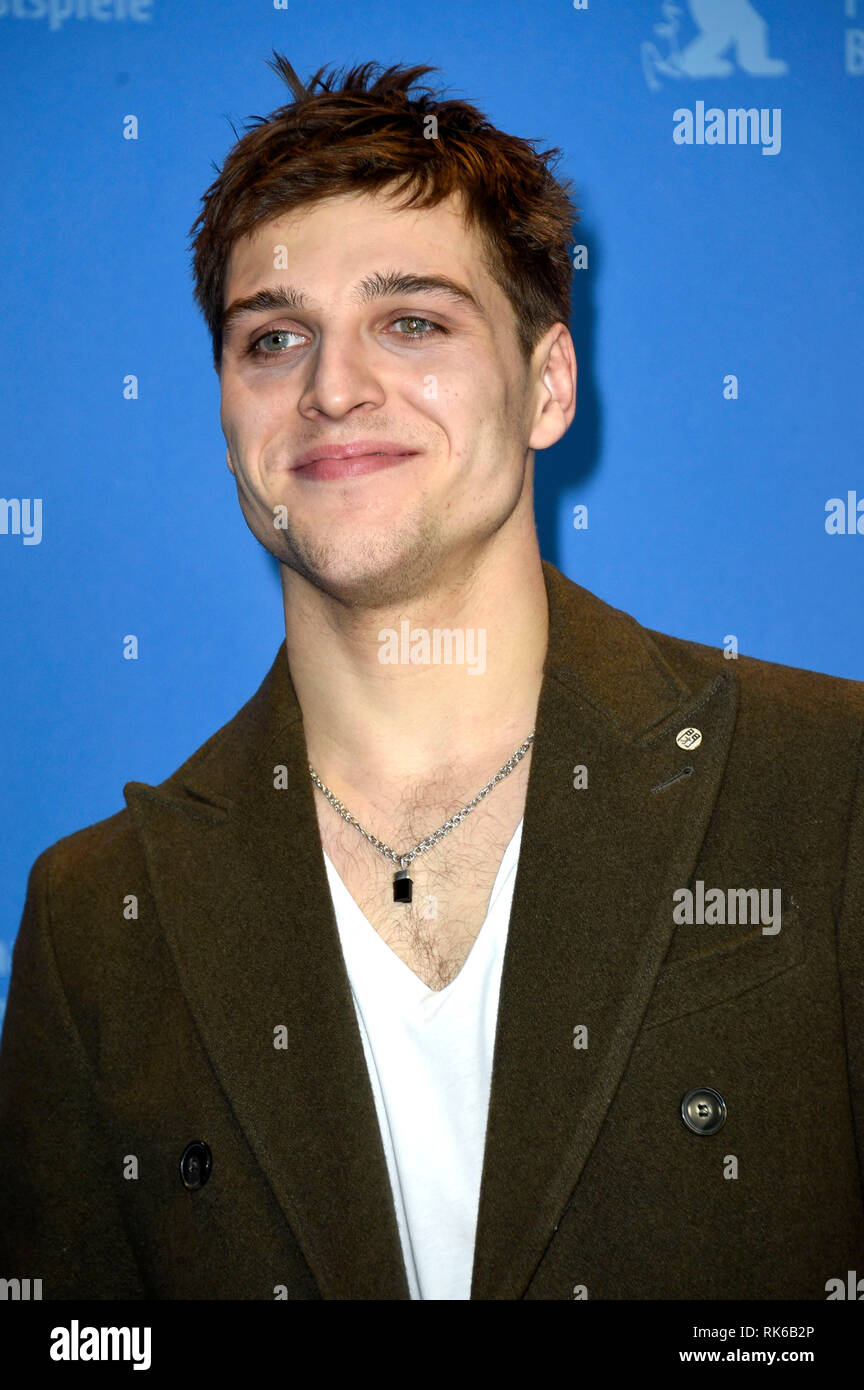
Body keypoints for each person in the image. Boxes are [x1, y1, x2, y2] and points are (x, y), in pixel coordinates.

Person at [1, 55, 862, 1301]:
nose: (334, 387)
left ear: (548, 385)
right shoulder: (95, 917)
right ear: (229, 413)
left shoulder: (830, 785)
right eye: (274, 337)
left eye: (412, 320)